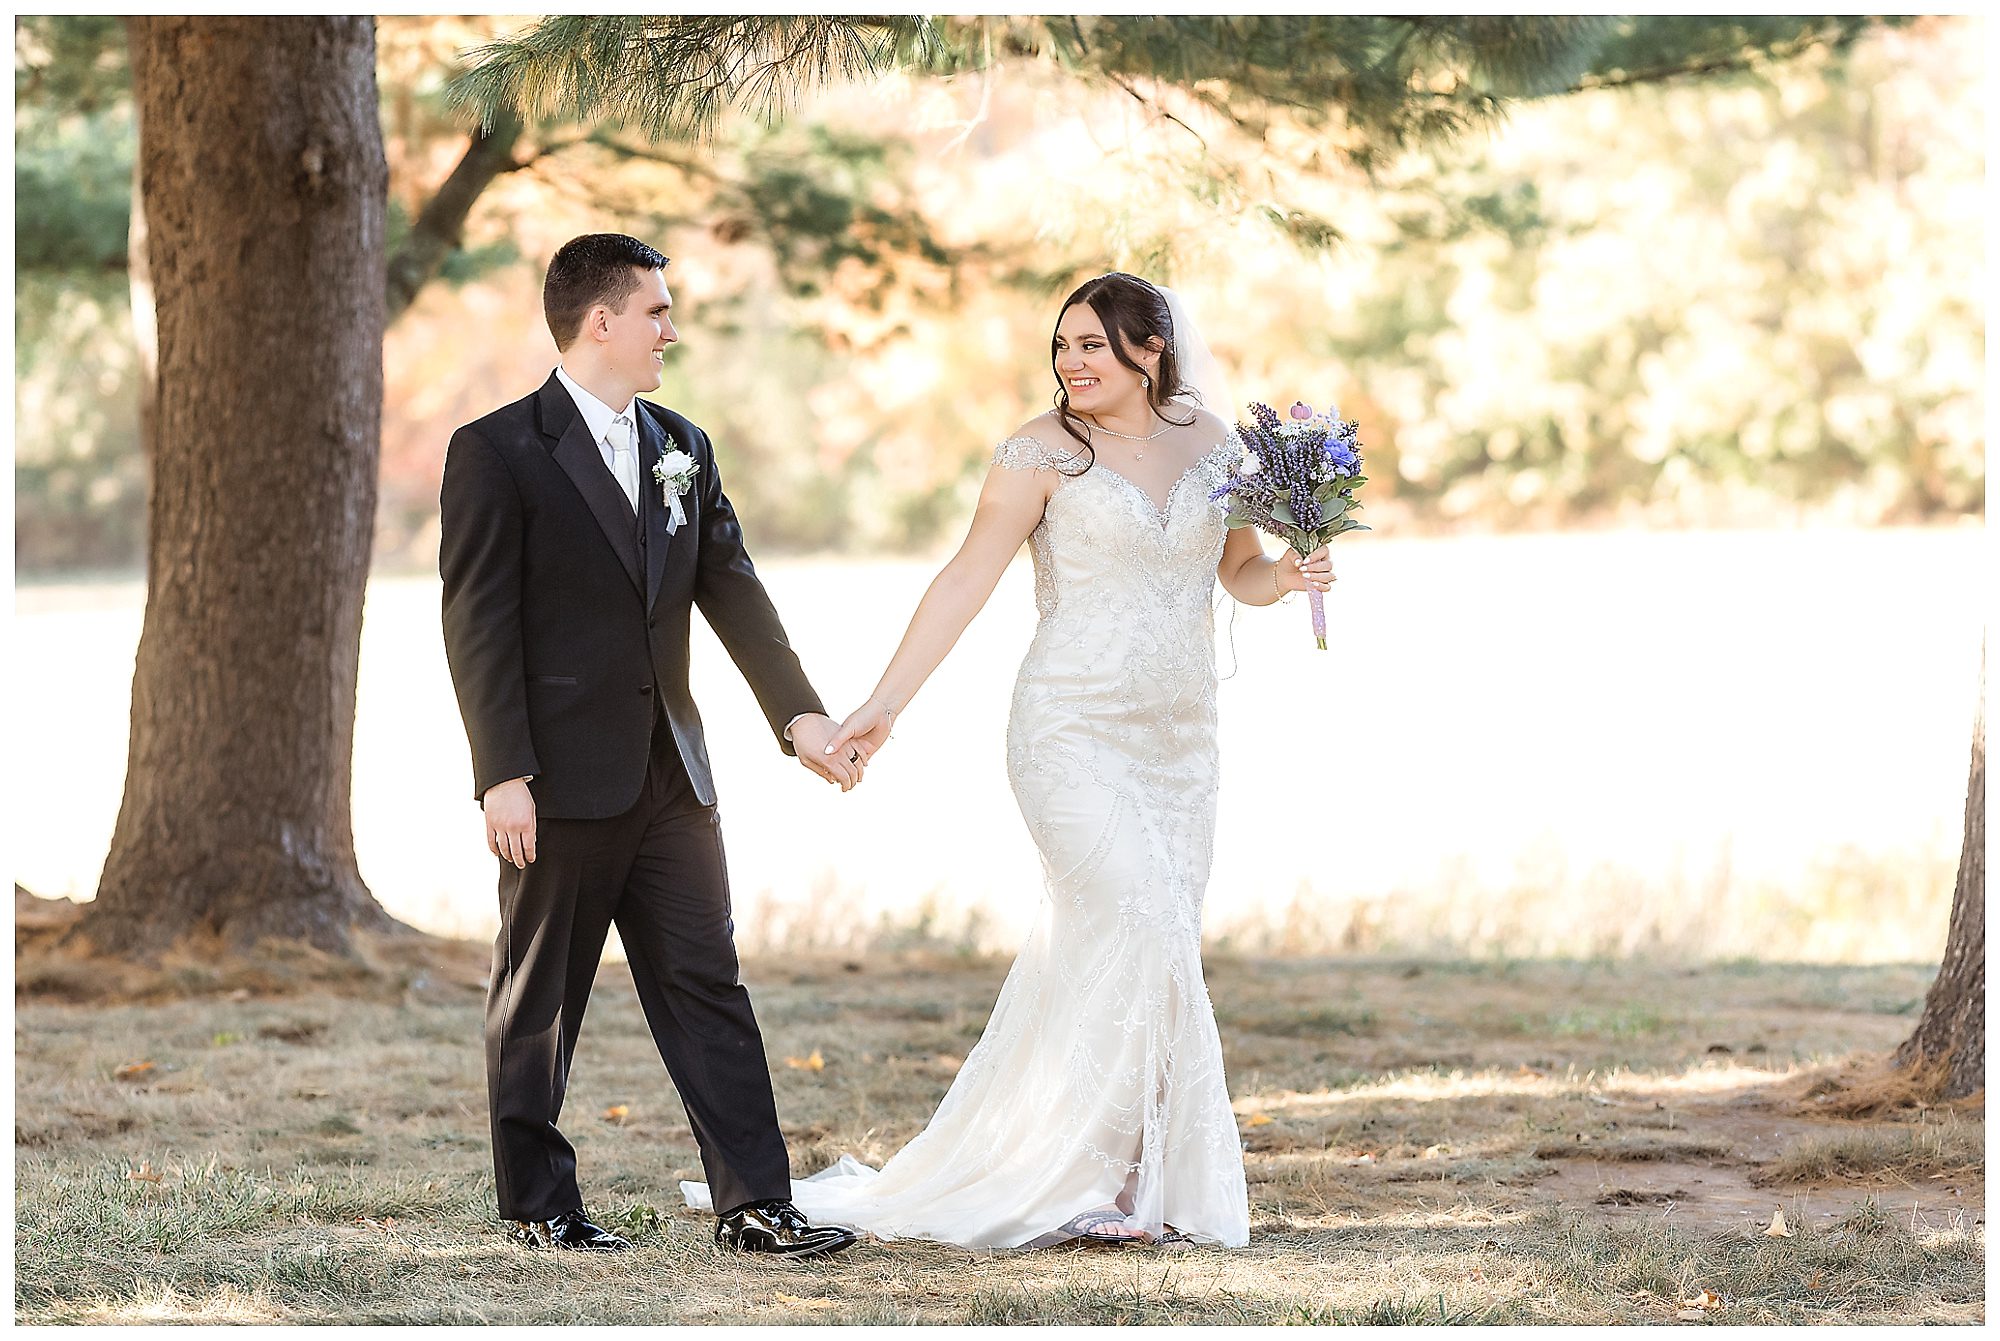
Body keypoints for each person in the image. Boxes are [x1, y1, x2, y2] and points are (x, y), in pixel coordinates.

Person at [679, 272, 1335, 1249]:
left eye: (1093, 347)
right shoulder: (1038, 454)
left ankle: (1122, 1180)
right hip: (1067, 731)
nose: (1071, 363)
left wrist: (1286, 574)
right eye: (1062, 345)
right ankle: (1083, 1182)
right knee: (1138, 916)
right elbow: (963, 580)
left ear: (1149, 353)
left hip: (1179, 744)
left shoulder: (1212, 444)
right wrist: (881, 706)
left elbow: (1234, 569)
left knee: (1149, 951)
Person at [439, 233, 864, 1259]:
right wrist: (502, 772)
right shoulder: (496, 450)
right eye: (657, 312)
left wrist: (799, 717)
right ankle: (539, 1207)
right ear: (600, 321)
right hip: (554, 779)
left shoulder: (682, 443)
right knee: (540, 999)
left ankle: (756, 1206)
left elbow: (734, 588)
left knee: (709, 985)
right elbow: (477, 623)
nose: (671, 329)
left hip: (674, 774)